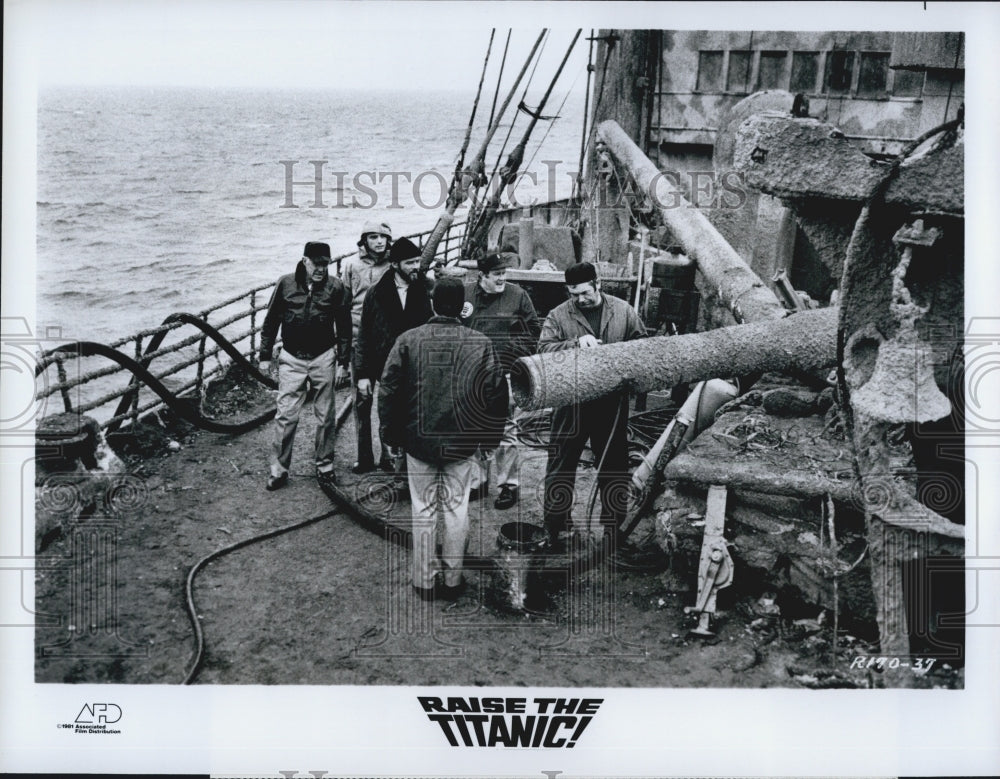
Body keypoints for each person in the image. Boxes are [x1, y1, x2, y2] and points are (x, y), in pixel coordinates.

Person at [379, 277, 508, 601]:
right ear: (461, 307)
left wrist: (390, 435)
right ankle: (452, 581)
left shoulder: (409, 340)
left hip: (418, 443)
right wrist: (490, 441)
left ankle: (424, 582)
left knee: (422, 511)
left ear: (433, 304)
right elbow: (495, 396)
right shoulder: (480, 343)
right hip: (461, 444)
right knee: (456, 510)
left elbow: (389, 391)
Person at [538, 261, 646, 550]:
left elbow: (642, 343)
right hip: (570, 404)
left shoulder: (623, 310)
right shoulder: (558, 316)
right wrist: (574, 343)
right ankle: (557, 528)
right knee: (560, 466)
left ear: (598, 284)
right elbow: (543, 350)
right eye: (573, 295)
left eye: (584, 293)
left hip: (611, 405)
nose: (580, 300)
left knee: (614, 467)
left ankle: (613, 528)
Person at [259, 241, 352, 491]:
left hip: (323, 357)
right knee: (286, 414)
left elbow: (344, 327)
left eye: (325, 264)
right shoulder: (285, 284)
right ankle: (278, 470)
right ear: (304, 260)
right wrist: (265, 356)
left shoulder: (336, 288)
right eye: (316, 263)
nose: (321, 269)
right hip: (291, 358)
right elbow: (270, 322)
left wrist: (344, 361)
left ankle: (324, 466)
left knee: (325, 416)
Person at [460, 251, 541, 510]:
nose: (502, 278)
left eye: (504, 273)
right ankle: (478, 480)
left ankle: (509, 485)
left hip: (505, 374)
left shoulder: (518, 296)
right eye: (496, 274)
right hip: (472, 373)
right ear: (481, 276)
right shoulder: (466, 295)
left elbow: (534, 334)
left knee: (506, 428)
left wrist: (508, 351)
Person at [354, 236, 433, 471]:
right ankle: (392, 463)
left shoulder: (426, 290)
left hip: (418, 367)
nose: (415, 267)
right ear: (395, 265)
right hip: (386, 368)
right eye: (410, 263)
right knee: (390, 416)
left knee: (417, 417)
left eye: (418, 261)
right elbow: (364, 336)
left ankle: (412, 469)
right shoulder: (376, 294)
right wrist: (363, 374)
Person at [340, 219, 394, 474]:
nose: (379, 241)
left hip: (386, 344)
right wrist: (343, 346)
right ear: (364, 241)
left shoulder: (394, 266)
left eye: (383, 237)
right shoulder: (351, 265)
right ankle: (363, 457)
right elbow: (343, 305)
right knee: (362, 401)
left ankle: (388, 455)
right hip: (358, 343)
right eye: (373, 237)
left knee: (388, 401)